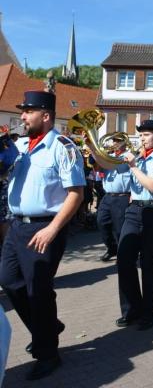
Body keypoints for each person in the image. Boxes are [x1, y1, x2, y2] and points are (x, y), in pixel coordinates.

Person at [0, 91, 85, 380]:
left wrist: (52, 228)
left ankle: (48, 353)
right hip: (17, 225)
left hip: (44, 227)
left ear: (45, 115)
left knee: (39, 292)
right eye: (22, 111)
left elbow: (76, 193)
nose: (22, 117)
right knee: (9, 281)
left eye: (27, 112)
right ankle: (46, 328)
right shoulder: (20, 145)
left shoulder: (63, 147)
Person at [86, 120, 153, 331]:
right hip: (133, 211)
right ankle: (131, 309)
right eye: (140, 135)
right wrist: (93, 148)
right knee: (124, 260)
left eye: (146, 135)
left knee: (149, 264)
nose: (141, 138)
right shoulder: (135, 157)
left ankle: (149, 312)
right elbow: (107, 164)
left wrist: (133, 166)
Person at [93, 137, 131, 262]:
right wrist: (95, 152)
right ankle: (112, 248)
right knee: (101, 222)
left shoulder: (129, 156)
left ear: (124, 143)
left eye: (118, 141)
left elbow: (114, 164)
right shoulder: (108, 156)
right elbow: (98, 169)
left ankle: (124, 252)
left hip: (122, 196)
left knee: (120, 228)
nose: (115, 143)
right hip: (107, 196)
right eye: (114, 141)